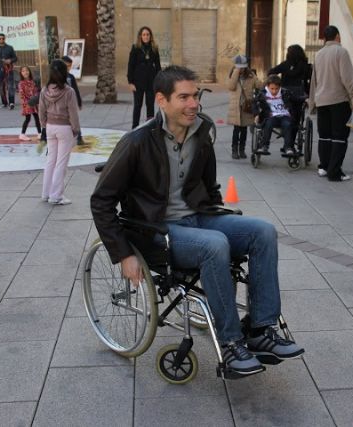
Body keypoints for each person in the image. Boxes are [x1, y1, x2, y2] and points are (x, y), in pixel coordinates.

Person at [90, 65, 304, 377]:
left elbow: (208, 185)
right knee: (215, 245)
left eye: (196, 96)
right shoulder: (137, 142)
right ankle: (231, 344)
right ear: (162, 100)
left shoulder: (201, 132)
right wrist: (122, 253)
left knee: (263, 232)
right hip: (157, 231)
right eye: (184, 97)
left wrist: (217, 212)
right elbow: (101, 200)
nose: (194, 104)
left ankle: (260, 329)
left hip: (199, 217)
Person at [308, 25, 353, 182]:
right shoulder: (341, 52)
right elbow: (348, 79)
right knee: (339, 137)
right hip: (338, 100)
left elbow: (314, 81)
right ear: (337, 36)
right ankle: (335, 171)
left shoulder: (319, 54)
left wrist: (312, 103)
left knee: (324, 135)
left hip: (321, 100)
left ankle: (324, 167)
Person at [38, 60, 80, 205]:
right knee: (61, 162)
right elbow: (73, 113)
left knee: (51, 160)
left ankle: (46, 193)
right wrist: (76, 130)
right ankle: (56, 196)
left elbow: (41, 111)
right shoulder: (69, 91)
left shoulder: (44, 90)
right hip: (64, 128)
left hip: (50, 126)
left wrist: (44, 125)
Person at [227, 55, 262, 159]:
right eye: (239, 67)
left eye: (242, 67)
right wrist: (236, 72)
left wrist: (266, 82)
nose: (241, 69)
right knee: (236, 129)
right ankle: (234, 150)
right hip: (236, 106)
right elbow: (231, 87)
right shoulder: (233, 74)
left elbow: (258, 85)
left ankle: (242, 150)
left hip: (247, 106)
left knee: (244, 130)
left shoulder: (250, 75)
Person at [253, 74, 298, 156]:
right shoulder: (262, 94)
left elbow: (296, 99)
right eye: (272, 89)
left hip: (285, 116)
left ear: (280, 87)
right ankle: (264, 146)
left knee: (287, 124)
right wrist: (256, 114)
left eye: (277, 89)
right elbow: (254, 104)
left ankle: (288, 148)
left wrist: (306, 98)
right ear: (268, 86)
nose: (274, 91)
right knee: (268, 124)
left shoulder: (285, 92)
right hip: (271, 116)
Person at [127, 26, 162, 129]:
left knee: (150, 105)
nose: (146, 36)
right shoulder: (135, 48)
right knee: (137, 105)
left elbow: (158, 66)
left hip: (151, 81)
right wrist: (130, 82)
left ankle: (150, 127)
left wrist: (159, 81)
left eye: (147, 34)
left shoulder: (154, 48)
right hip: (138, 82)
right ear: (140, 36)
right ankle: (134, 127)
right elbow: (130, 65)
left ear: (150, 36)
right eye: (144, 35)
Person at [267, 44, 310, 118]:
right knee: (298, 109)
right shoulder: (305, 65)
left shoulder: (285, 64)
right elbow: (309, 79)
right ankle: (296, 124)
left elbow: (271, 72)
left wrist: (277, 80)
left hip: (285, 91)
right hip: (299, 92)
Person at [0, 33, 17, 109]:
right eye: (0, 38)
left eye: (3, 38)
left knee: (10, 86)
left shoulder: (10, 48)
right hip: (0, 70)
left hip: (9, 69)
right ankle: (4, 103)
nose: (1, 40)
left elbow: (15, 58)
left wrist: (10, 60)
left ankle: (11, 103)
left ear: (5, 39)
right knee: (1, 87)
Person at [62, 55, 84, 145]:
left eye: (69, 66)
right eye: (66, 66)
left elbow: (75, 89)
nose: (68, 68)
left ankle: (79, 137)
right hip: (62, 104)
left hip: (71, 103)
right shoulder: (57, 77)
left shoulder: (71, 77)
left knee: (75, 120)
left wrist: (79, 101)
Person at [17, 66, 41, 141]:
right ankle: (22, 134)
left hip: (34, 102)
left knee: (37, 117)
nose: (25, 72)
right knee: (28, 118)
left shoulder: (33, 81)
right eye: (23, 71)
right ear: (21, 73)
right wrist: (27, 103)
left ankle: (40, 133)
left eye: (27, 70)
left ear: (29, 71)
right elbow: (22, 94)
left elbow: (36, 91)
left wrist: (36, 99)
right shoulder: (21, 83)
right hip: (27, 103)